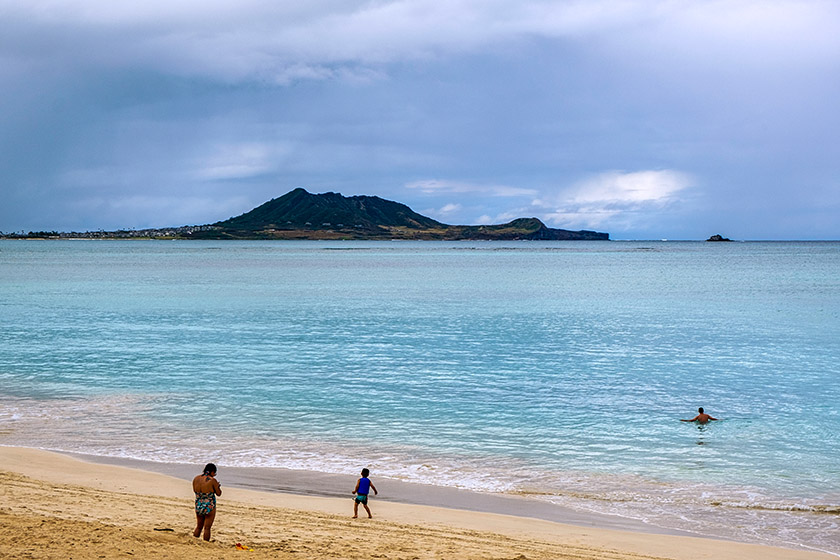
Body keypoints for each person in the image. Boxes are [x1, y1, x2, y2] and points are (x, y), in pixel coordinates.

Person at [192, 463, 222, 541]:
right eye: (214, 473)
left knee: (199, 526)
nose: (214, 475)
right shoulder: (212, 480)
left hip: (198, 503)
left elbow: (195, 491)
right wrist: (217, 487)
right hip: (209, 505)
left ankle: (194, 540)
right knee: (207, 528)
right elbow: (219, 493)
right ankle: (206, 543)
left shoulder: (196, 479)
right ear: (212, 471)